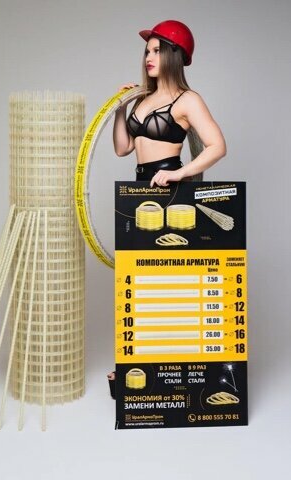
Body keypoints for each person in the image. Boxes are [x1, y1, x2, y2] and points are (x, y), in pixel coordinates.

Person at [108, 20, 227, 398]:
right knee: (137, 282)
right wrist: (119, 110)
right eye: (147, 50)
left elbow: (217, 146)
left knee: (170, 282)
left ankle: (176, 367)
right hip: (139, 190)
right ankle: (136, 367)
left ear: (175, 55)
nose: (149, 57)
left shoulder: (188, 100)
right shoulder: (142, 98)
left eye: (157, 50)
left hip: (170, 191)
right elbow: (123, 149)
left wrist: (180, 173)